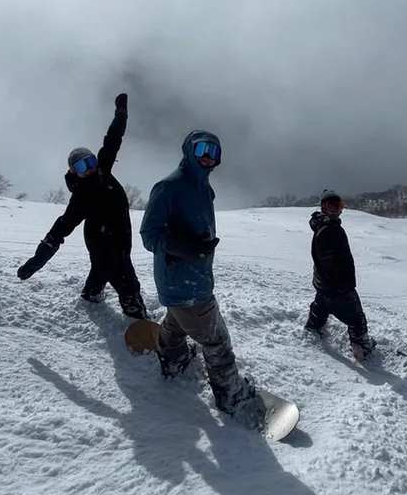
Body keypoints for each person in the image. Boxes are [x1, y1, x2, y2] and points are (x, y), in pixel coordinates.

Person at [140, 130, 264, 426]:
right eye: (202, 149)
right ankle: (229, 394)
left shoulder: (203, 188)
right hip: (183, 282)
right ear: (188, 151)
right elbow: (149, 235)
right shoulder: (169, 187)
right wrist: (186, 248)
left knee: (178, 318)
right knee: (215, 339)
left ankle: (172, 358)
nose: (208, 156)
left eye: (214, 151)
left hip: (189, 279)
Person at [16, 93, 149, 320]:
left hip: (114, 237)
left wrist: (120, 115)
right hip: (104, 242)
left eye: (90, 162)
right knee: (126, 281)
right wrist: (36, 263)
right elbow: (59, 230)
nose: (88, 168)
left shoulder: (102, 171)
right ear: (72, 171)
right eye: (81, 166)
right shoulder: (81, 198)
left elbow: (113, 139)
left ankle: (91, 296)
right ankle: (136, 317)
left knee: (99, 270)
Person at [304, 188, 377, 360]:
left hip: (324, 284)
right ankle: (361, 348)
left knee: (321, 305)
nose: (335, 209)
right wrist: (344, 287)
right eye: (331, 205)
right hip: (337, 286)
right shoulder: (330, 229)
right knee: (356, 318)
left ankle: (313, 327)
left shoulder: (323, 225)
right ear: (323, 207)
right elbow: (332, 263)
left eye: (338, 205)